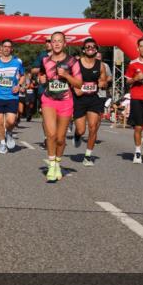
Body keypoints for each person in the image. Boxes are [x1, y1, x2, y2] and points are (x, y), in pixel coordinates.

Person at [36, 32, 84, 182]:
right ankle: (51, 166)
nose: (56, 44)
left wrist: (67, 76)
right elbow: (41, 76)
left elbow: (79, 84)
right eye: (54, 41)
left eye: (59, 41)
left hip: (65, 102)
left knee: (60, 138)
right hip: (48, 100)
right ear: (50, 44)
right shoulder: (45, 60)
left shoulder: (72, 61)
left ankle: (57, 163)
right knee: (51, 134)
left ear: (65, 44)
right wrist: (40, 79)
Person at [72, 38, 110, 166]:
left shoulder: (101, 65)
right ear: (83, 50)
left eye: (93, 46)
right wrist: (76, 88)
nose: (90, 48)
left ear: (96, 50)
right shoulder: (76, 64)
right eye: (87, 46)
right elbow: (71, 80)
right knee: (81, 130)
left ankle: (88, 156)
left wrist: (102, 83)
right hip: (79, 99)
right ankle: (77, 135)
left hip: (94, 98)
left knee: (93, 127)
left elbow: (103, 82)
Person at [0, 39, 26, 155]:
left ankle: (9, 133)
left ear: (11, 49)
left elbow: (23, 76)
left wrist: (18, 85)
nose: (7, 48)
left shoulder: (17, 62)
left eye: (9, 47)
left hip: (12, 96)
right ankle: (2, 144)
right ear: (2, 48)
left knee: (11, 121)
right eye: (5, 46)